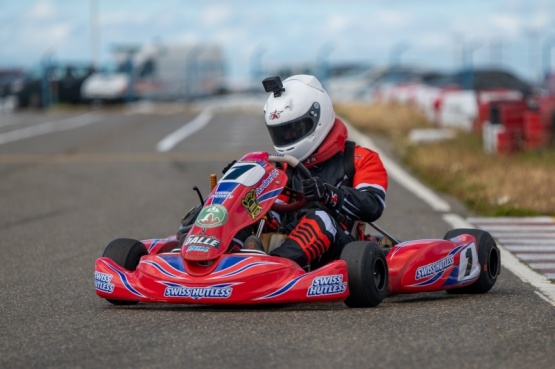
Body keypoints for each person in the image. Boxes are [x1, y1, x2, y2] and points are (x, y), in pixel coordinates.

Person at [260, 74, 388, 268]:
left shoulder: (359, 158)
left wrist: (330, 194)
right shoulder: (285, 168)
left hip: (342, 250)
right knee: (242, 214)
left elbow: (372, 205)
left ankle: (274, 268)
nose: (288, 136)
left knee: (321, 217)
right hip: (289, 241)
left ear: (317, 117)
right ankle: (214, 263)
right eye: (282, 132)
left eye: (294, 129)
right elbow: (273, 216)